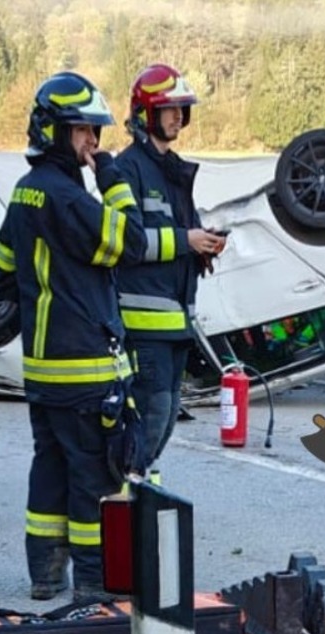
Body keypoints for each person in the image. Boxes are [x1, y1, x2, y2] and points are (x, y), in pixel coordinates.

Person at [0, 72, 148, 603]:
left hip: (42, 370)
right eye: (83, 131)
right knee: (93, 479)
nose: (93, 143)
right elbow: (130, 241)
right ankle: (92, 582)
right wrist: (114, 180)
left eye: (95, 133)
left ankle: (44, 574)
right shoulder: (70, 198)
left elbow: (3, 271)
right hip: (84, 368)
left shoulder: (25, 192)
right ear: (55, 132)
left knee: (49, 469)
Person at [114, 64, 226, 476]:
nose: (179, 116)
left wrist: (203, 247)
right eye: (170, 108)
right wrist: (186, 241)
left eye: (183, 108)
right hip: (143, 325)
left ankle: (136, 495)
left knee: (163, 420)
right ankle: (123, 500)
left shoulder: (172, 169)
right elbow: (127, 240)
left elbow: (178, 231)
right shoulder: (127, 170)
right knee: (151, 414)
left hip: (176, 322)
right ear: (146, 113)